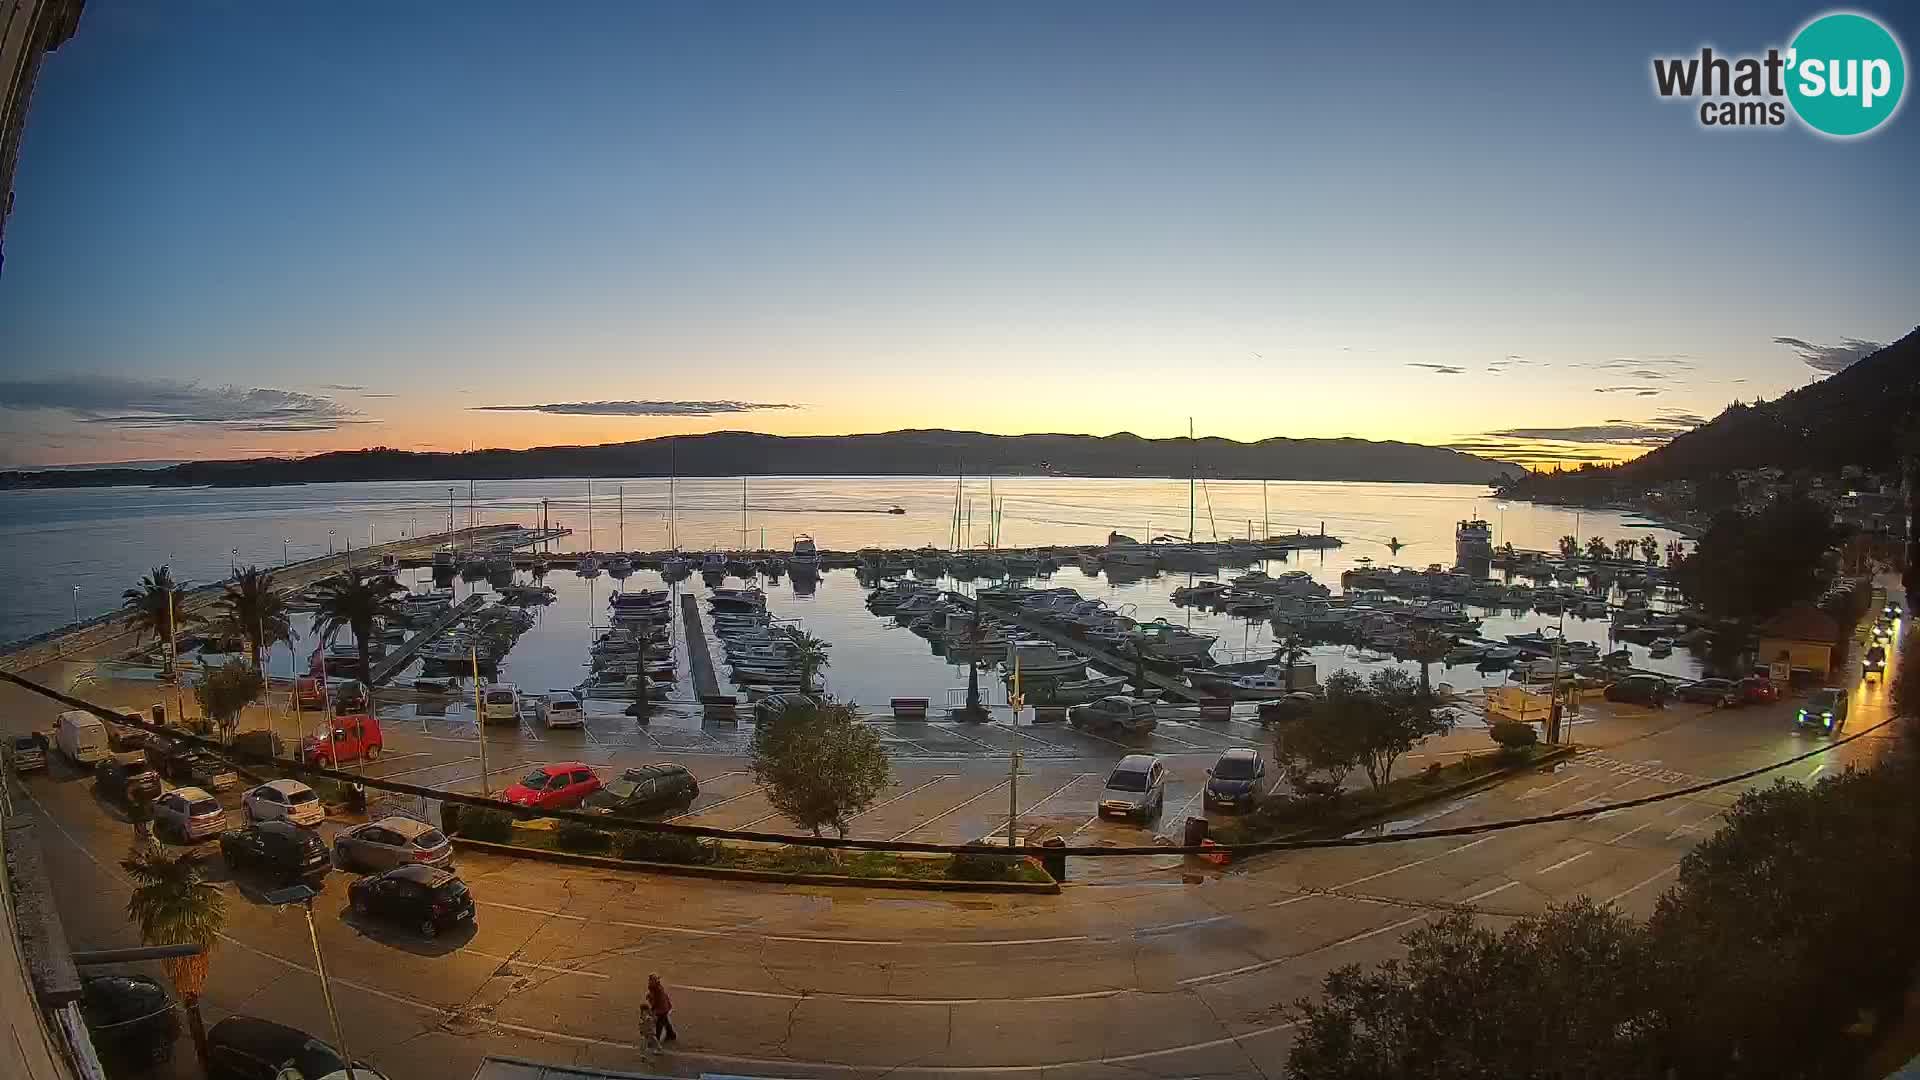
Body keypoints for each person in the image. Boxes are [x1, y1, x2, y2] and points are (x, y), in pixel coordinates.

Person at [646, 973, 676, 1044]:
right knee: (665, 1021)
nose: (649, 982)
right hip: (664, 1007)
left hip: (661, 1009)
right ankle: (671, 1034)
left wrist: (652, 1008)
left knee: (659, 1024)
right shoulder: (657, 987)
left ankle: (656, 1040)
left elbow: (656, 1001)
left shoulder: (656, 989)